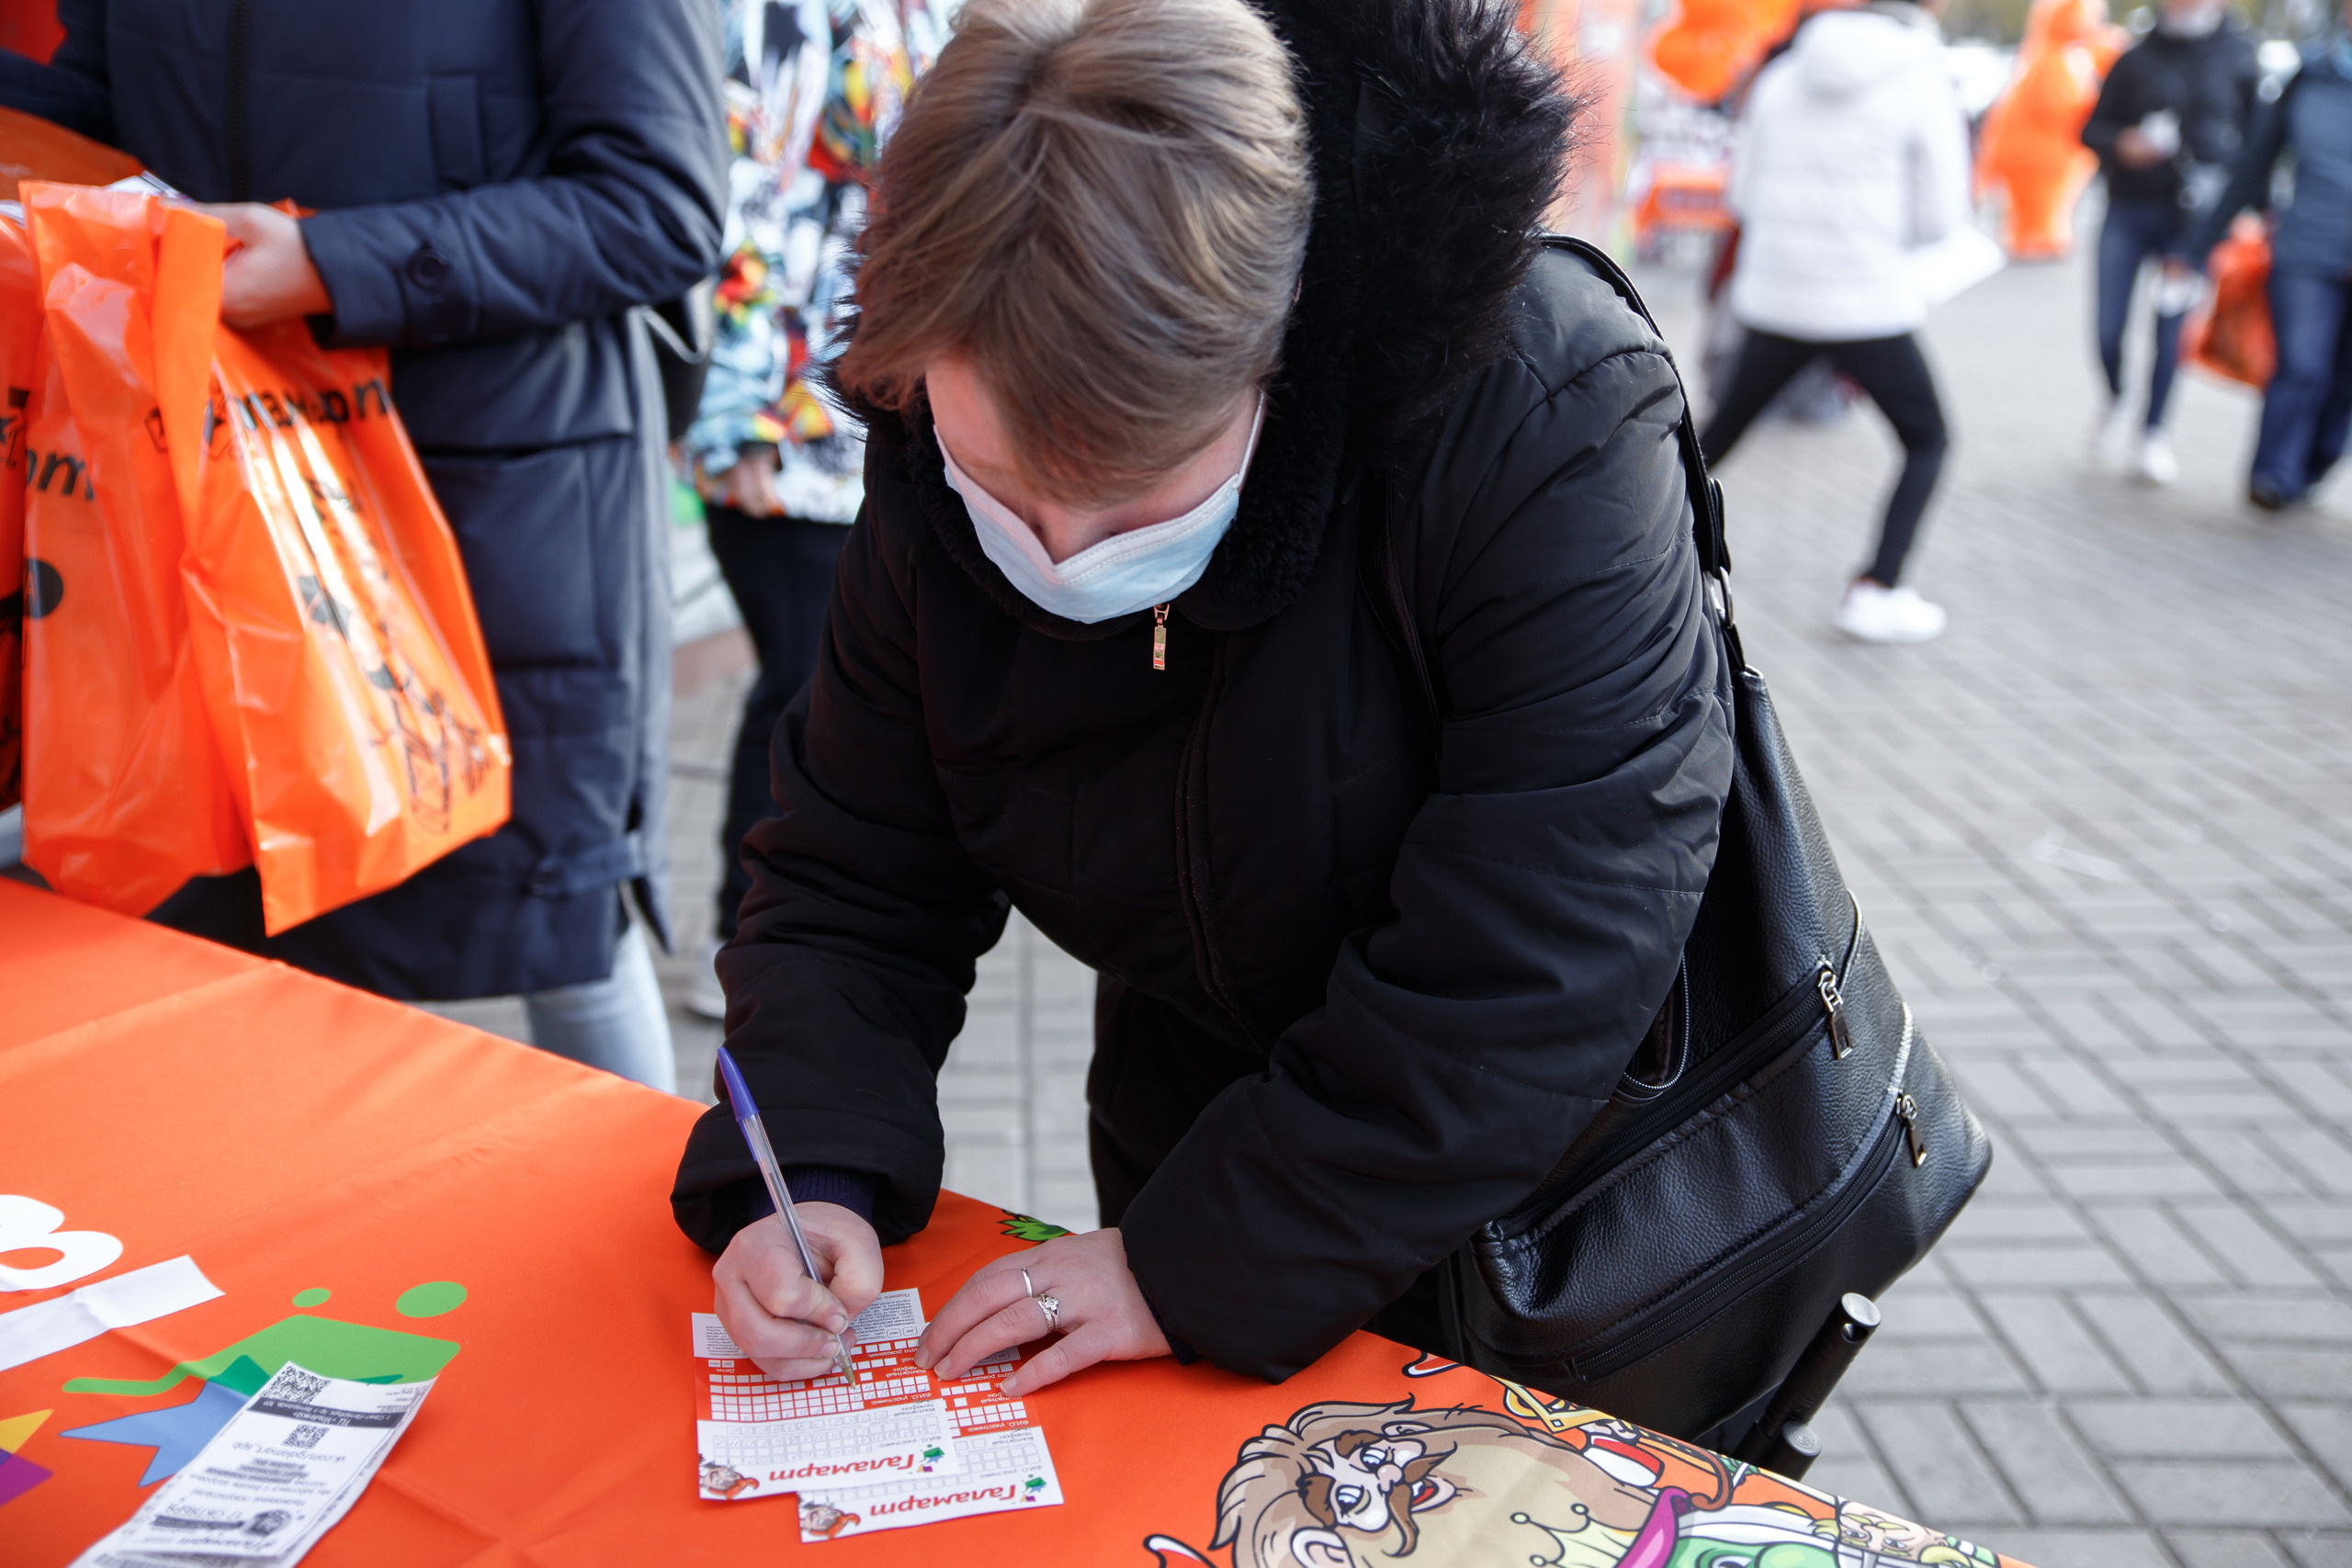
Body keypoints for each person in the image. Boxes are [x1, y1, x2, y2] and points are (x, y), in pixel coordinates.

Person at [671, 0, 1736, 1397]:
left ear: (1275, 365)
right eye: (1005, 484)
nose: (1059, 548)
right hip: (1212, 1130)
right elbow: (858, 854)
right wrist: (809, 1165)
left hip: (1587, 1200)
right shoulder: (935, 423)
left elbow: (1553, 929)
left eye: (1133, 494)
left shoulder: (1538, 405)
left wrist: (1195, 1257)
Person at [1, 0, 728, 1090]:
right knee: (217, 927)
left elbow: (658, 209)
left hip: (491, 518)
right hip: (197, 490)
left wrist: (332, 262)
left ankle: (672, 1222)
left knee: (555, 932)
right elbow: (107, 99)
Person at [681, 0, 942, 1022]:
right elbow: (729, 201)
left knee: (858, 677)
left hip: (886, 399)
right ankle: (749, 935)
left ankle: (825, 933)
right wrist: (739, 419)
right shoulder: (767, 12)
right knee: (801, 677)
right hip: (783, 412)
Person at [1699, 0, 1973, 644]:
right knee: (1928, 438)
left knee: (1715, 438)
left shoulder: (1782, 73)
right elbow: (1940, 215)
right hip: (1864, 300)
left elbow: (1741, 194)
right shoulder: (1920, 76)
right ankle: (1878, 586)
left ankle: (1624, 540)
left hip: (1776, 294)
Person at [2178, 5, 2352, 513]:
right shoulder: (2310, 77)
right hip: (2306, 249)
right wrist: (2199, 245)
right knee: (2302, 364)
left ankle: (2315, 466)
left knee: (2344, 379)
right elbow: (2253, 165)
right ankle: (2272, 473)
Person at [2079, 0, 2258, 484]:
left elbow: (2257, 145)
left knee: (2170, 330)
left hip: (2192, 222)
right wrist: (2122, 143)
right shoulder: (2135, 57)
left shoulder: (2240, 57)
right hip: (2129, 207)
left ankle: (2153, 431)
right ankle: (2115, 395)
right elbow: (2090, 127)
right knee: (2108, 325)